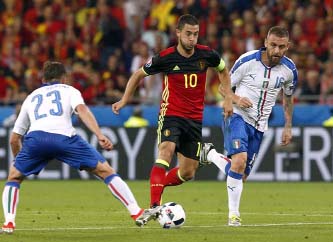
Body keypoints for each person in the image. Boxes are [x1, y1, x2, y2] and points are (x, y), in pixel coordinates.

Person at [0, 61, 160, 234]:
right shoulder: (70, 90)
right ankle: (136, 212)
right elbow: (82, 110)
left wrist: (19, 162)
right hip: (65, 138)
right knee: (106, 171)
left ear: (43, 79)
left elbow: (14, 139)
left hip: (36, 139)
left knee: (13, 179)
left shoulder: (31, 97)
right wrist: (99, 135)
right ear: (64, 78)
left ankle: (9, 223)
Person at [112, 14, 233, 208]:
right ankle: (154, 206)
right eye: (188, 34)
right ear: (178, 33)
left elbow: (224, 71)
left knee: (188, 172)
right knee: (166, 150)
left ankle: (158, 186)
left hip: (194, 119)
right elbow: (138, 74)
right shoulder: (166, 57)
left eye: (195, 34)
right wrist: (125, 99)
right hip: (171, 114)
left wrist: (228, 98)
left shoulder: (207, 55)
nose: (192, 38)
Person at [200, 26, 298, 226]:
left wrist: (288, 125)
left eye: (281, 47)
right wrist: (236, 98)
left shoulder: (289, 70)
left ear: (287, 47)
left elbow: (288, 99)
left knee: (240, 175)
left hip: (260, 125)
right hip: (237, 116)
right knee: (239, 161)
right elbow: (222, 87)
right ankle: (233, 216)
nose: (276, 51)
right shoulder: (247, 61)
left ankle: (210, 154)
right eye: (273, 45)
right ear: (265, 42)